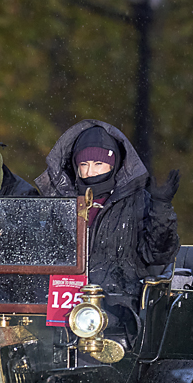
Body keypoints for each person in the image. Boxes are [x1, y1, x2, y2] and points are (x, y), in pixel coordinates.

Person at [35, 119, 180, 329]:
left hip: (119, 309)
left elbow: (158, 254)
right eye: (84, 165)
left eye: (98, 164)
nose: (90, 172)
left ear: (114, 165)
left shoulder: (137, 202)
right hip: (60, 307)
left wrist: (161, 208)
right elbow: (42, 256)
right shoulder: (61, 204)